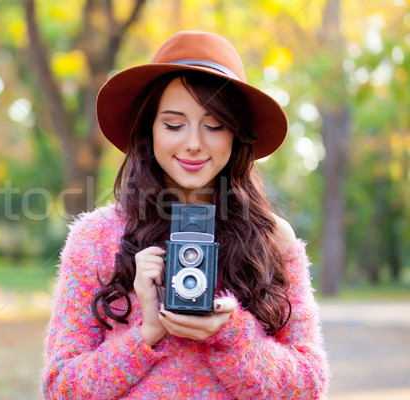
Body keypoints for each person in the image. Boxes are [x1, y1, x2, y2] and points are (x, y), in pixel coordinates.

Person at [41, 31, 329, 399]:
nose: (193, 142)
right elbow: (61, 388)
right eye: (174, 124)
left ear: (236, 135)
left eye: (214, 125)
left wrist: (231, 336)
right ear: (149, 129)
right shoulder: (96, 238)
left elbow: (309, 386)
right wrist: (146, 332)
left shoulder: (273, 238)